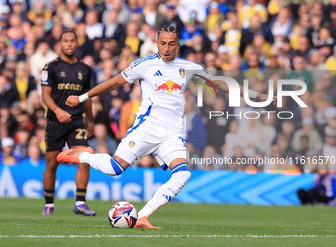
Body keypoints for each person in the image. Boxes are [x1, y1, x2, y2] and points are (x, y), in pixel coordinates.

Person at [57, 25, 276, 228]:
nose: (167, 47)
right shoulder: (144, 65)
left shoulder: (189, 68)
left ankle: (142, 216)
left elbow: (222, 84)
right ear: (157, 42)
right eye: (163, 43)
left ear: (178, 44)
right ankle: (84, 155)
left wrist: (259, 96)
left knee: (183, 175)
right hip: (147, 127)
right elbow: (114, 82)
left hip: (172, 133)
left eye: (171, 43)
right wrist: (82, 97)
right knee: (114, 169)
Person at [41, 29, 95, 216]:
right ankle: (49, 205)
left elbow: (87, 98)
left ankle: (80, 202)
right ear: (60, 44)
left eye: (73, 41)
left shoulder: (85, 69)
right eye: (66, 41)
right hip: (55, 121)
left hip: (77, 120)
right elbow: (45, 95)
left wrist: (91, 120)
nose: (69, 44)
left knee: (85, 158)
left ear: (77, 43)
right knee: (51, 163)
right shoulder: (50, 67)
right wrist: (57, 110)